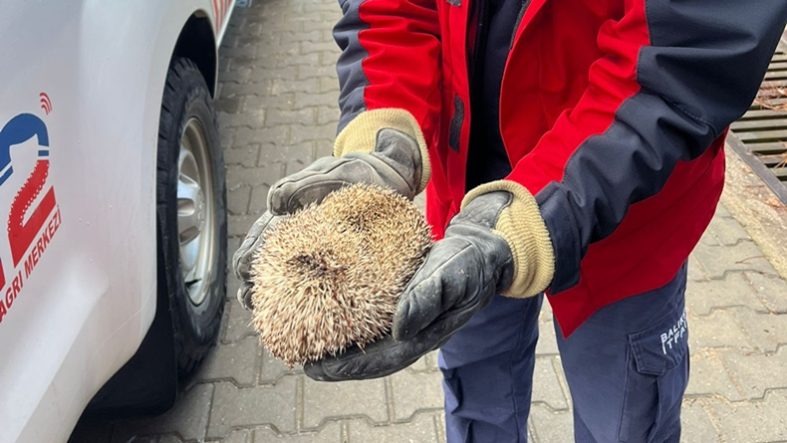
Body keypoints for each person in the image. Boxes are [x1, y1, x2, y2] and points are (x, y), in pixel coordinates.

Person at [234, 1, 787, 441]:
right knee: (478, 408)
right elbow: (391, 9)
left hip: (624, 215)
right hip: (463, 206)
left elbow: (689, 50)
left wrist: (549, 209)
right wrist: (385, 124)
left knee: (622, 422)